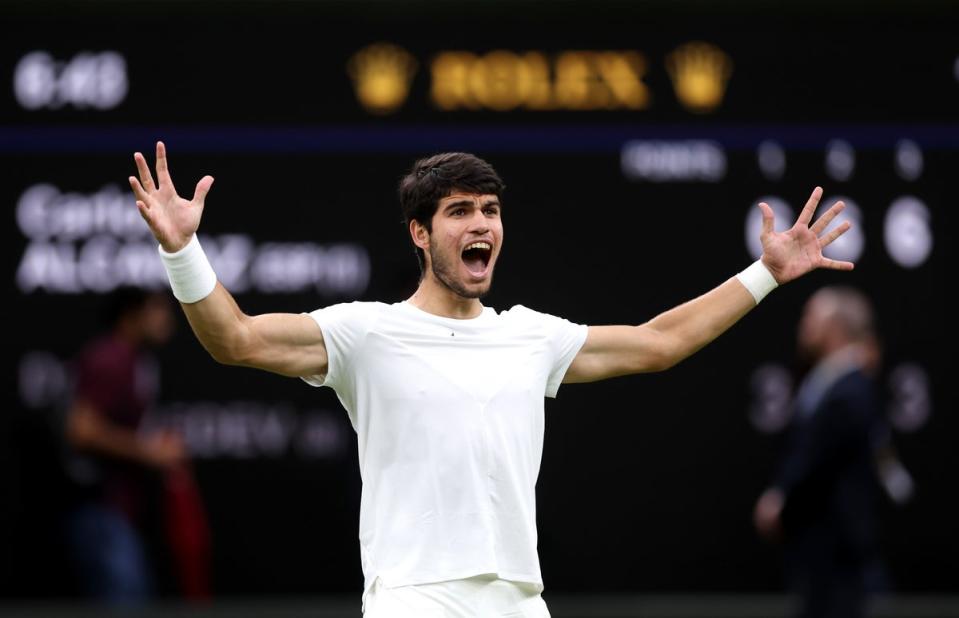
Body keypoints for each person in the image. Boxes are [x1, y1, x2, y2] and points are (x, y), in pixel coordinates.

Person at [129, 142, 853, 617]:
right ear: (420, 233)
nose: (481, 224)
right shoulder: (364, 332)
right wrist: (183, 251)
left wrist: (766, 273)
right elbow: (234, 339)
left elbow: (659, 343)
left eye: (490, 210)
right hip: (413, 599)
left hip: (519, 600)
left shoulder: (528, 335)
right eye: (459, 212)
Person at [65, 287, 210, 603]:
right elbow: (81, 430)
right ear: (132, 316)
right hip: (101, 509)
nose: (167, 320)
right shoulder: (109, 359)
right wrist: (148, 451)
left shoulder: (137, 361)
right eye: (157, 311)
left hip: (124, 507)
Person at [754, 287, 887, 618]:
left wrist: (782, 501)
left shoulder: (850, 388)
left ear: (834, 327)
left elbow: (818, 461)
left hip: (837, 550)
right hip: (818, 549)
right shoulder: (828, 380)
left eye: (811, 317)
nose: (803, 325)